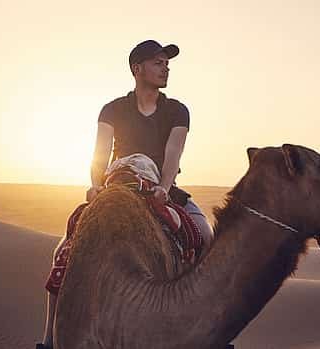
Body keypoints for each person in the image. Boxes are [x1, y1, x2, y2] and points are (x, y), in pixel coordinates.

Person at [36, 40, 214, 349]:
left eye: (166, 63)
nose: (166, 67)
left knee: (204, 236)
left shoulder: (177, 110)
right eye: (158, 62)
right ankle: (50, 339)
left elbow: (174, 153)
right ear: (137, 68)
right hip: (118, 187)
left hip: (163, 188)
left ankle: (207, 334)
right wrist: (95, 184)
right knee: (64, 251)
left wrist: (164, 187)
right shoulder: (113, 109)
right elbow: (100, 152)